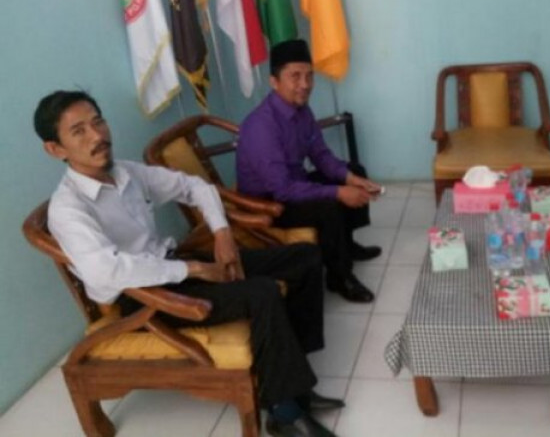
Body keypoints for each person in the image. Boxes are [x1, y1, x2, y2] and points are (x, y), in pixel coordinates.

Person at [34, 90, 343, 437]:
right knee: (262, 293)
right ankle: (284, 414)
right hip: (143, 296)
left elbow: (195, 186)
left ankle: (296, 384)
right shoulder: (69, 209)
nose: (97, 136)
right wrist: (194, 269)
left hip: (173, 265)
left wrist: (222, 233)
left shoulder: (126, 173)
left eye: (98, 122)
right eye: (79, 131)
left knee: (304, 257)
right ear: (55, 149)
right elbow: (109, 270)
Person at [237, 39, 382, 303]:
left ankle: (347, 245)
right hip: (268, 203)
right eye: (295, 76)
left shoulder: (302, 110)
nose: (305, 84)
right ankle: (339, 277)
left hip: (294, 184)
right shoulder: (261, 126)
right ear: (274, 81)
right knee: (328, 204)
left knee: (354, 169)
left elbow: (321, 156)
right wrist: (338, 192)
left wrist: (350, 179)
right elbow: (282, 189)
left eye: (309, 76)